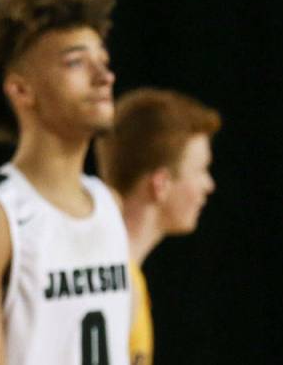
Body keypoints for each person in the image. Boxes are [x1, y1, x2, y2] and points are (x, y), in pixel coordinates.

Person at [0, 0, 132, 365]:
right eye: (76, 62)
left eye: (103, 62)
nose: (104, 77)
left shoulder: (109, 202)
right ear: (21, 90)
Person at [94, 88, 220, 365]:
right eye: (201, 170)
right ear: (160, 184)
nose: (209, 185)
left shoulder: (124, 275)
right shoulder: (114, 284)